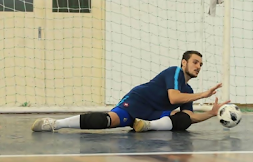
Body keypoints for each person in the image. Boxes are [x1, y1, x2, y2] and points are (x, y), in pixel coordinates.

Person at [31, 50, 230, 133]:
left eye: (201, 65)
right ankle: (56, 123)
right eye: (195, 62)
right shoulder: (175, 71)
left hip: (154, 115)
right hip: (138, 101)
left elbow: (189, 116)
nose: (198, 66)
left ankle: (147, 126)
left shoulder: (189, 89)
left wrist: (211, 114)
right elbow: (173, 97)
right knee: (108, 121)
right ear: (184, 62)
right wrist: (203, 95)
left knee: (183, 121)